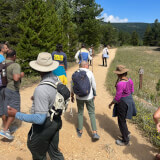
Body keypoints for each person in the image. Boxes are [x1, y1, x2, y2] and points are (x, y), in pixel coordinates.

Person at [7, 52, 64, 159]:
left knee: (35, 148)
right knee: (55, 153)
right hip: (56, 121)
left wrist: (16, 114)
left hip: (44, 126)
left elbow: (39, 119)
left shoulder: (41, 89)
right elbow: (53, 97)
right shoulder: (56, 79)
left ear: (38, 69)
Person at [71, 61, 100, 140]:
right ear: (86, 65)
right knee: (91, 113)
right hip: (89, 97)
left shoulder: (75, 73)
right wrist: (94, 93)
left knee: (80, 113)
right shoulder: (90, 73)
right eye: (88, 65)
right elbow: (94, 84)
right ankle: (94, 132)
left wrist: (72, 95)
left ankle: (80, 130)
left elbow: (72, 85)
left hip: (79, 97)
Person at [108, 65, 136, 146]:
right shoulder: (130, 80)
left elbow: (117, 98)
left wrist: (111, 103)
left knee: (121, 121)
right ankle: (126, 132)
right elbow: (132, 91)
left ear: (118, 74)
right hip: (129, 101)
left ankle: (125, 140)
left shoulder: (120, 84)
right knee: (123, 119)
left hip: (122, 103)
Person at [0, 49, 24, 140]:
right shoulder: (15, 65)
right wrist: (21, 74)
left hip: (3, 89)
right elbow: (16, 78)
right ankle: (5, 130)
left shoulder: (2, 63)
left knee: (4, 108)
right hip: (12, 89)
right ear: (14, 56)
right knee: (14, 110)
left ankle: (6, 127)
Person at [0, 43, 9, 120]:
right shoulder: (2, 59)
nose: (8, 49)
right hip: (2, 83)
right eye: (6, 48)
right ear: (2, 49)